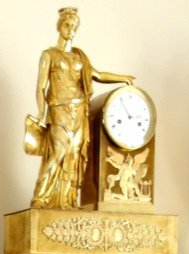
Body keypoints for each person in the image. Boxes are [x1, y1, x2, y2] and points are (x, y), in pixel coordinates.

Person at [28, 7, 134, 209]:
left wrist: (123, 79)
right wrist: (41, 113)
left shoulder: (79, 58)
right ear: (59, 27)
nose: (70, 29)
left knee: (73, 155)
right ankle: (40, 197)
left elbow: (99, 75)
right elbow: (41, 87)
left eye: (74, 26)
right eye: (67, 25)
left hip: (79, 112)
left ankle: (67, 200)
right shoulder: (49, 55)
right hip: (59, 109)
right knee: (57, 152)